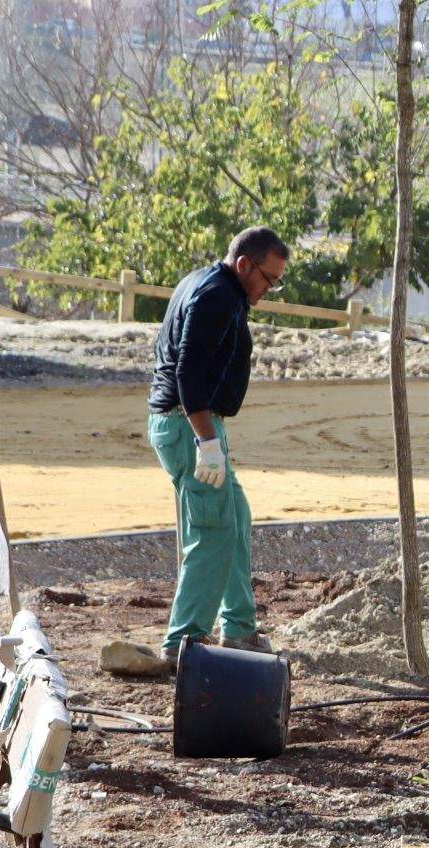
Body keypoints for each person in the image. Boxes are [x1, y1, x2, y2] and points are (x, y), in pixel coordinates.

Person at [148, 226, 288, 659]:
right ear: (245, 264)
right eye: (268, 278)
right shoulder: (217, 296)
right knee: (212, 533)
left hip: (196, 425)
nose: (269, 289)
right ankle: (183, 643)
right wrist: (207, 442)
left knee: (234, 519)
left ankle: (239, 629)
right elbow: (188, 372)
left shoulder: (204, 283)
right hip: (191, 426)